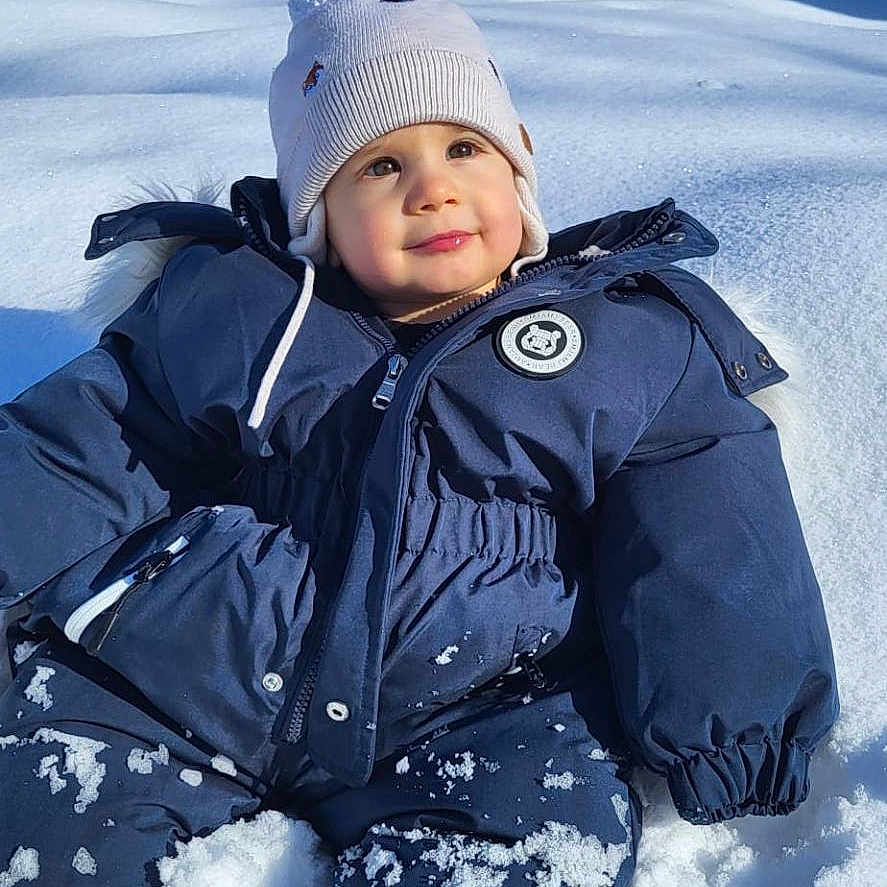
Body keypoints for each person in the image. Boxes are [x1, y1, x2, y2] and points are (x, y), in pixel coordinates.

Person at [0, 0, 840, 884]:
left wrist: (736, 727)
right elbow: (93, 439)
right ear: (315, 209)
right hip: (185, 676)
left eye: (464, 148)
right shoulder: (240, 307)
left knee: (530, 840)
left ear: (517, 163)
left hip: (481, 707)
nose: (432, 188)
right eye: (383, 163)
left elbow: (707, 528)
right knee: (48, 814)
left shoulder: (622, 346)